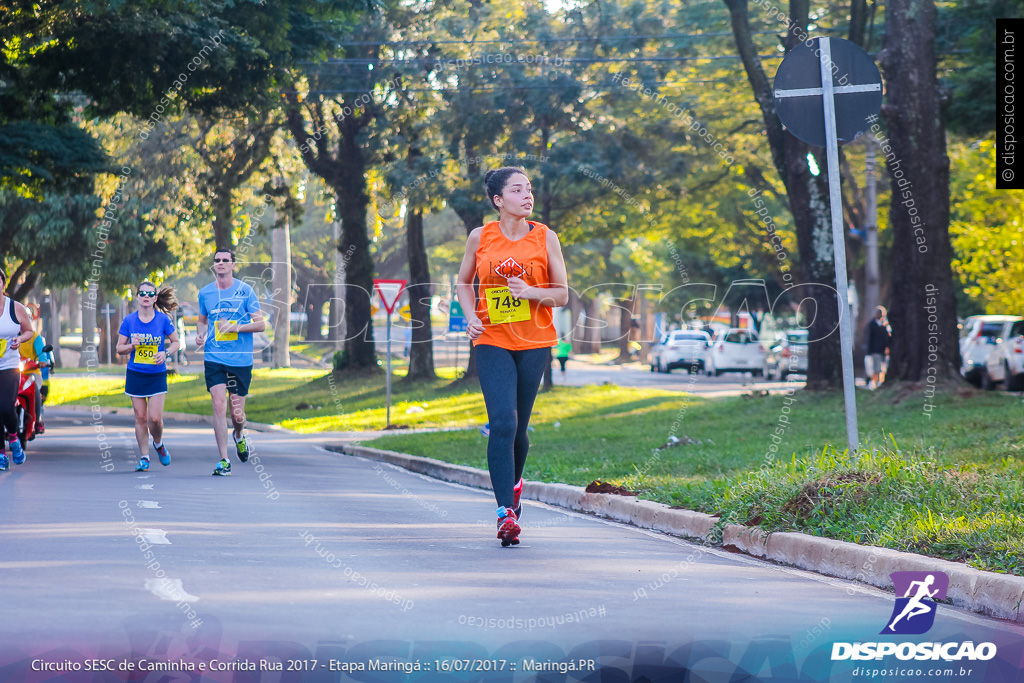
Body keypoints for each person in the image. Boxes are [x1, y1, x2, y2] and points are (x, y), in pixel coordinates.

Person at [456, 167, 569, 546]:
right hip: (491, 338)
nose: (527, 195)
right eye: (517, 190)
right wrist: (471, 317)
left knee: (519, 429)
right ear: (498, 200)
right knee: (502, 422)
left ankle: (515, 483)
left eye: (530, 189)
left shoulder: (545, 237)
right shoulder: (480, 237)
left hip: (535, 340)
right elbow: (463, 281)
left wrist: (531, 293)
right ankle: (506, 512)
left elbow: (562, 294)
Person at [195, 249, 265, 476]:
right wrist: (200, 334)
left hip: (240, 360)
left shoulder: (245, 291)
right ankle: (224, 460)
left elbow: (260, 324)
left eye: (226, 260)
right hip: (214, 357)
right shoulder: (205, 293)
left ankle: (238, 435)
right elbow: (203, 320)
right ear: (213, 265)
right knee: (218, 404)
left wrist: (236, 327)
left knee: (237, 415)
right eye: (217, 260)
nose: (221, 263)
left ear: (233, 265)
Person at [116, 281, 180, 472]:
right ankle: (144, 457)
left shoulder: (162, 320)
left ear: (154, 298)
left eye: (150, 294)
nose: (146, 296)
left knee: (154, 419)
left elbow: (176, 342)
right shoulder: (129, 320)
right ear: (137, 297)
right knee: (140, 417)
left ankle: (158, 444)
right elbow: (119, 348)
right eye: (142, 293)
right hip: (136, 374)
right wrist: (131, 346)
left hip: (156, 374)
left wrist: (166, 353)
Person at [0, 268, 35, 470]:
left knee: (5, 406)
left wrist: (19, 339)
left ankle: (13, 436)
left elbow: (29, 331)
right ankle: (1, 454)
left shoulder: (16, 308)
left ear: (3, 283)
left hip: (9, 365)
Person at [19, 305, 54, 434]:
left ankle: (37, 419)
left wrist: (43, 361)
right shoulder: (9, 335)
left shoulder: (35, 337)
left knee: (35, 392)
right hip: (14, 373)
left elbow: (42, 353)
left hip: (32, 373)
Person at [865, 305, 891, 389]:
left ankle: (876, 383)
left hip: (882, 350)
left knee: (880, 368)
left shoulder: (884, 325)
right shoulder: (872, 324)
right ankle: (874, 384)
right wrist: (869, 350)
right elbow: (869, 337)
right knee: (875, 368)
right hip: (874, 350)